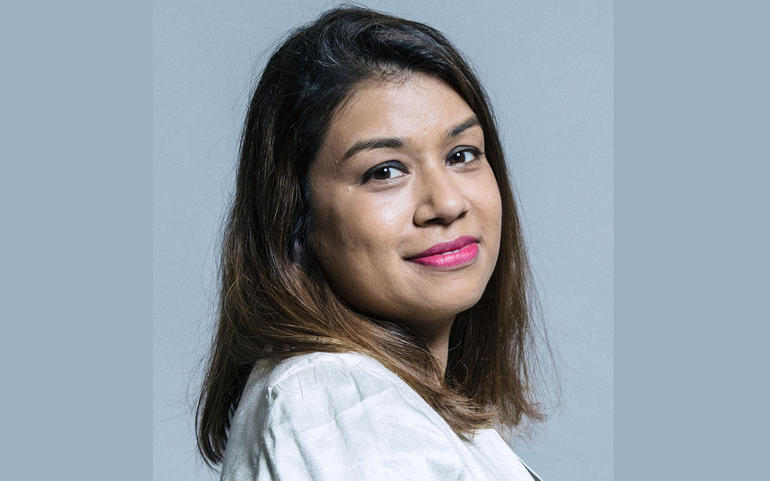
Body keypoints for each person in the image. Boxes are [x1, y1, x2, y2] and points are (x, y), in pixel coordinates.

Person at [197, 6, 548, 480]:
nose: (447, 203)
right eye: (384, 171)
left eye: (462, 154)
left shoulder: (386, 401)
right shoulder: (340, 400)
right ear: (294, 216)